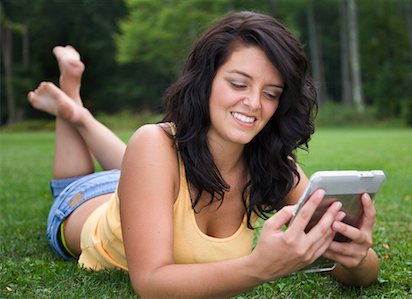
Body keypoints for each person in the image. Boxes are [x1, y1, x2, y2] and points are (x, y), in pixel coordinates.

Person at [27, 11, 379, 298]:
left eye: (271, 93)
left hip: (143, 181)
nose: (254, 104)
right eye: (238, 84)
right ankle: (71, 106)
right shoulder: (153, 144)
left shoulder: (273, 166)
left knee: (145, 163)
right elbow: (150, 283)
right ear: (205, 80)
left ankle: (75, 110)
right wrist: (260, 266)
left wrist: (356, 256)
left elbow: (367, 270)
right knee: (78, 181)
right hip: (84, 205)